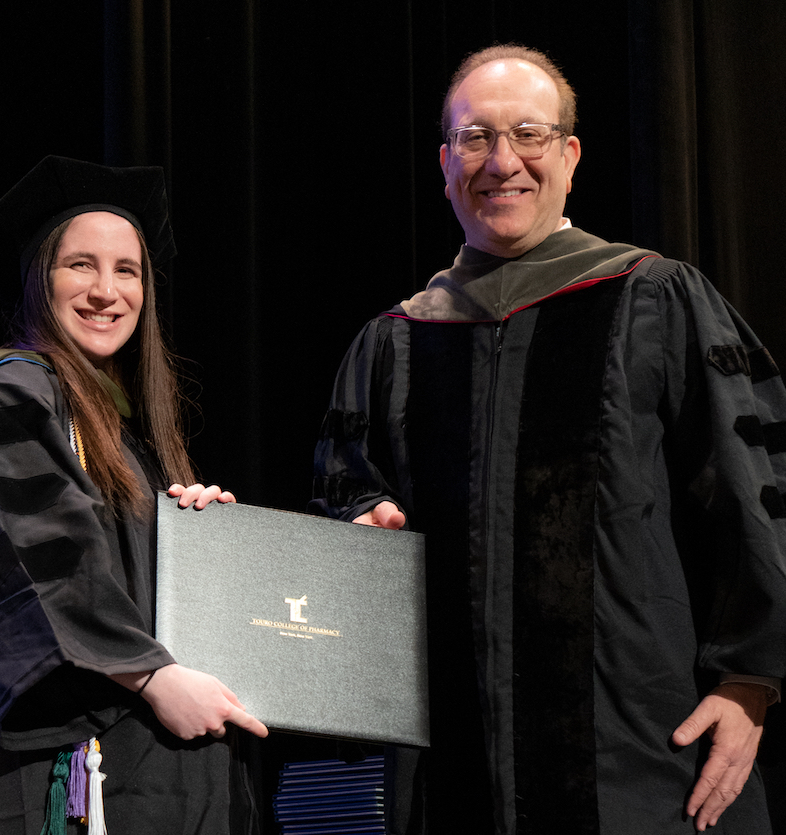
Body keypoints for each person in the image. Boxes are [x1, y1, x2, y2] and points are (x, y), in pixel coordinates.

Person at [311, 45, 786, 834]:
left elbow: (751, 489)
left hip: (642, 756)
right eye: (475, 138)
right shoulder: (393, 342)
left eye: (528, 134)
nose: (503, 162)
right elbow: (342, 499)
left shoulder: (655, 300)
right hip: (449, 767)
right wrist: (362, 523)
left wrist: (750, 683)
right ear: (444, 162)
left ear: (569, 155)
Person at [0, 156, 267, 835]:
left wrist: (195, 543)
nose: (107, 290)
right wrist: (156, 678)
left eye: (127, 270)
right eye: (80, 265)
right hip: (31, 791)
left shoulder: (128, 437)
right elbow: (39, 563)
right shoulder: (14, 393)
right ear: (37, 280)